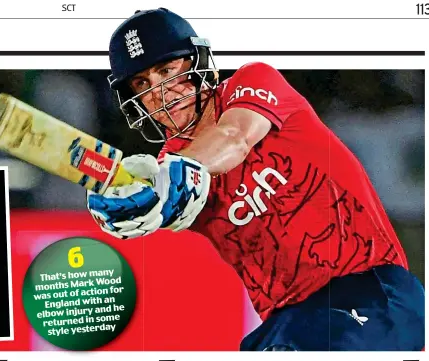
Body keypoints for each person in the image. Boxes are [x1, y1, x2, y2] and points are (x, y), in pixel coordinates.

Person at [87, 8, 425, 351]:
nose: (159, 92)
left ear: (196, 63)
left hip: (372, 291)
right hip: (289, 325)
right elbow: (160, 199)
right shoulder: (167, 166)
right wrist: (126, 201)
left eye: (167, 70)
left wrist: (174, 171)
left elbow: (235, 136)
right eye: (142, 83)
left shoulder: (253, 82)